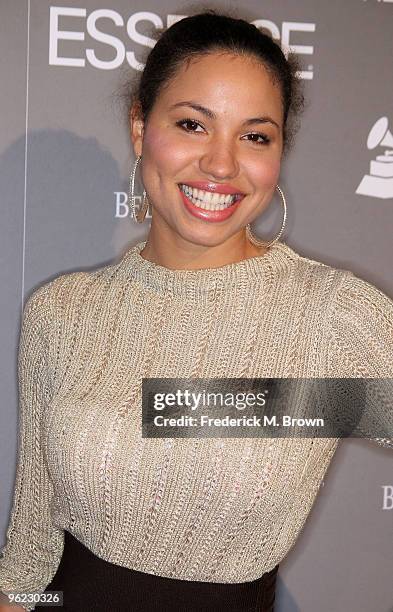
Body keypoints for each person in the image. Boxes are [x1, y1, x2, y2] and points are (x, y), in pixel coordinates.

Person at [0, 8, 392, 612]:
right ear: (140, 127)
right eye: (192, 124)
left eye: (255, 136)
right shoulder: (63, 312)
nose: (221, 163)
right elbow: (31, 545)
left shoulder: (331, 319)